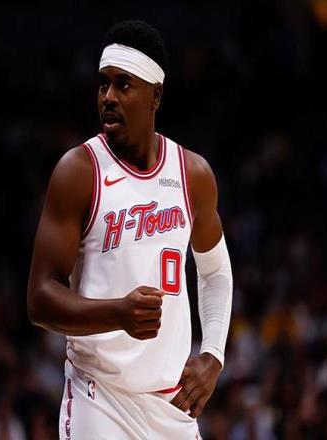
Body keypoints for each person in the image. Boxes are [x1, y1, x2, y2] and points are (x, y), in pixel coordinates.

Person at [27, 20, 233, 439]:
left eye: (124, 85)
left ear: (155, 95)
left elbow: (215, 272)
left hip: (170, 405)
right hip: (99, 397)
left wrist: (212, 355)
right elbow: (40, 299)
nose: (108, 97)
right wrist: (117, 313)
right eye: (103, 84)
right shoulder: (79, 171)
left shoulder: (193, 174)